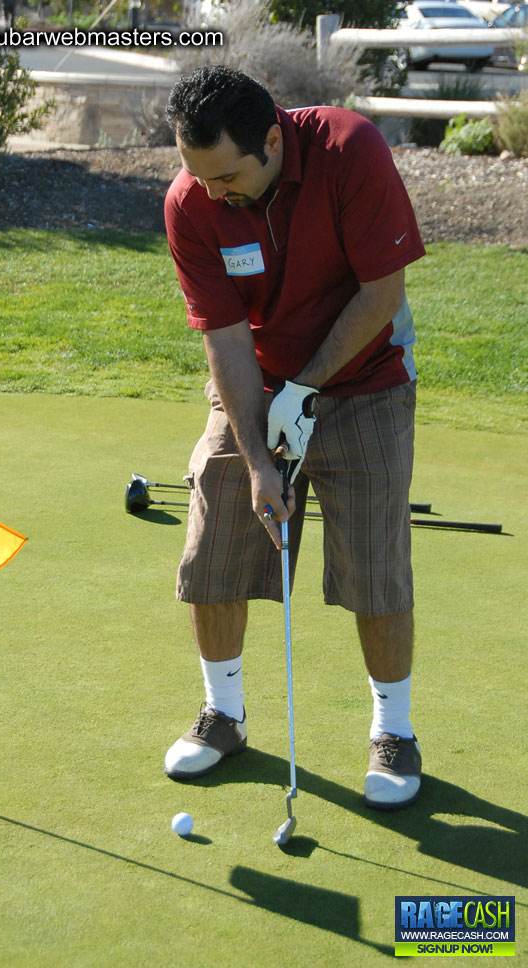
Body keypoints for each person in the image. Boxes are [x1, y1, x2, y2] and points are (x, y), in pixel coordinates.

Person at [162, 65, 426, 810]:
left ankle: (394, 732)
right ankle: (224, 716)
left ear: (272, 140)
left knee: (375, 565)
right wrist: (255, 455)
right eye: (196, 176)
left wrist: (307, 391)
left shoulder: (351, 149)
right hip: (259, 381)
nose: (211, 193)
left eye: (226, 175)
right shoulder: (192, 201)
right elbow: (223, 334)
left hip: (369, 380)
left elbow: (384, 293)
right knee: (213, 544)